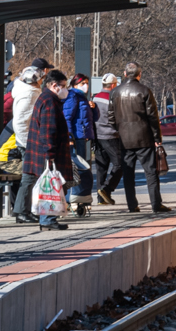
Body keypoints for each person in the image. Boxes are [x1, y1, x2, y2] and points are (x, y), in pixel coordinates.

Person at [15, 68, 74, 231]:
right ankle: (48, 219)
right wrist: (50, 154)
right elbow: (49, 130)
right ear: (54, 85)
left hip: (39, 150)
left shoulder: (45, 98)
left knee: (48, 183)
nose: (65, 89)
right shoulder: (50, 102)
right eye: (63, 86)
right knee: (51, 184)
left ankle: (47, 218)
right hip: (47, 152)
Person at [110, 62, 167, 214]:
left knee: (128, 174)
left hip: (124, 140)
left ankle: (132, 205)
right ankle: (156, 204)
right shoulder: (144, 90)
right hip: (144, 139)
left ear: (124, 73)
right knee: (151, 172)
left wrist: (119, 130)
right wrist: (157, 137)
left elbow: (111, 117)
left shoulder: (115, 92)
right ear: (139, 74)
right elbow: (153, 117)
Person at [62, 73, 96, 217]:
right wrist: (69, 136)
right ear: (74, 85)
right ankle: (72, 199)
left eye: (87, 82)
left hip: (82, 137)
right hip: (75, 138)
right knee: (76, 168)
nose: (86, 85)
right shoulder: (73, 96)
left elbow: (88, 118)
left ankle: (77, 198)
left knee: (80, 167)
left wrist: (93, 108)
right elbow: (67, 117)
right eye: (82, 83)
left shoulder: (82, 98)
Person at [92, 71, 121, 204]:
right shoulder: (113, 99)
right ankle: (106, 189)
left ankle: (100, 199)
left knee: (101, 167)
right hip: (110, 135)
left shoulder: (95, 98)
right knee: (119, 164)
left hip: (97, 136)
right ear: (113, 84)